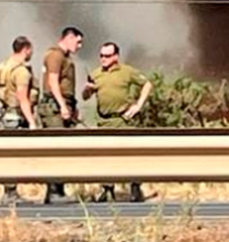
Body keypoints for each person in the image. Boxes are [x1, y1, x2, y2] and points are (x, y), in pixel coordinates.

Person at [83, 42, 152, 203]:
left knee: (129, 156)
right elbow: (85, 96)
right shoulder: (96, 74)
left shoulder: (126, 72)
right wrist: (87, 89)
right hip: (104, 122)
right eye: (101, 55)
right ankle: (107, 189)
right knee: (105, 157)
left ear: (115, 57)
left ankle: (135, 187)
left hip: (122, 120)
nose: (103, 59)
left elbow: (147, 84)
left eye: (107, 56)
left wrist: (138, 106)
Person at [39, 27, 83, 204]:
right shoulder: (55, 55)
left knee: (63, 150)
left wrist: (73, 107)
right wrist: (63, 106)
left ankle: (58, 190)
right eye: (78, 41)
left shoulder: (65, 58)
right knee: (56, 149)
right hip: (54, 107)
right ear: (69, 38)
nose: (79, 46)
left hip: (63, 106)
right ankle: (54, 191)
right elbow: (52, 82)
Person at [1, 36, 38, 204]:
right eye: (31, 49)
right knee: (15, 156)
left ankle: (9, 191)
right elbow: (22, 98)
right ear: (26, 49)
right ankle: (10, 193)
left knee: (8, 155)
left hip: (6, 115)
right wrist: (32, 122)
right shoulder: (21, 71)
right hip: (15, 115)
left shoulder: (5, 66)